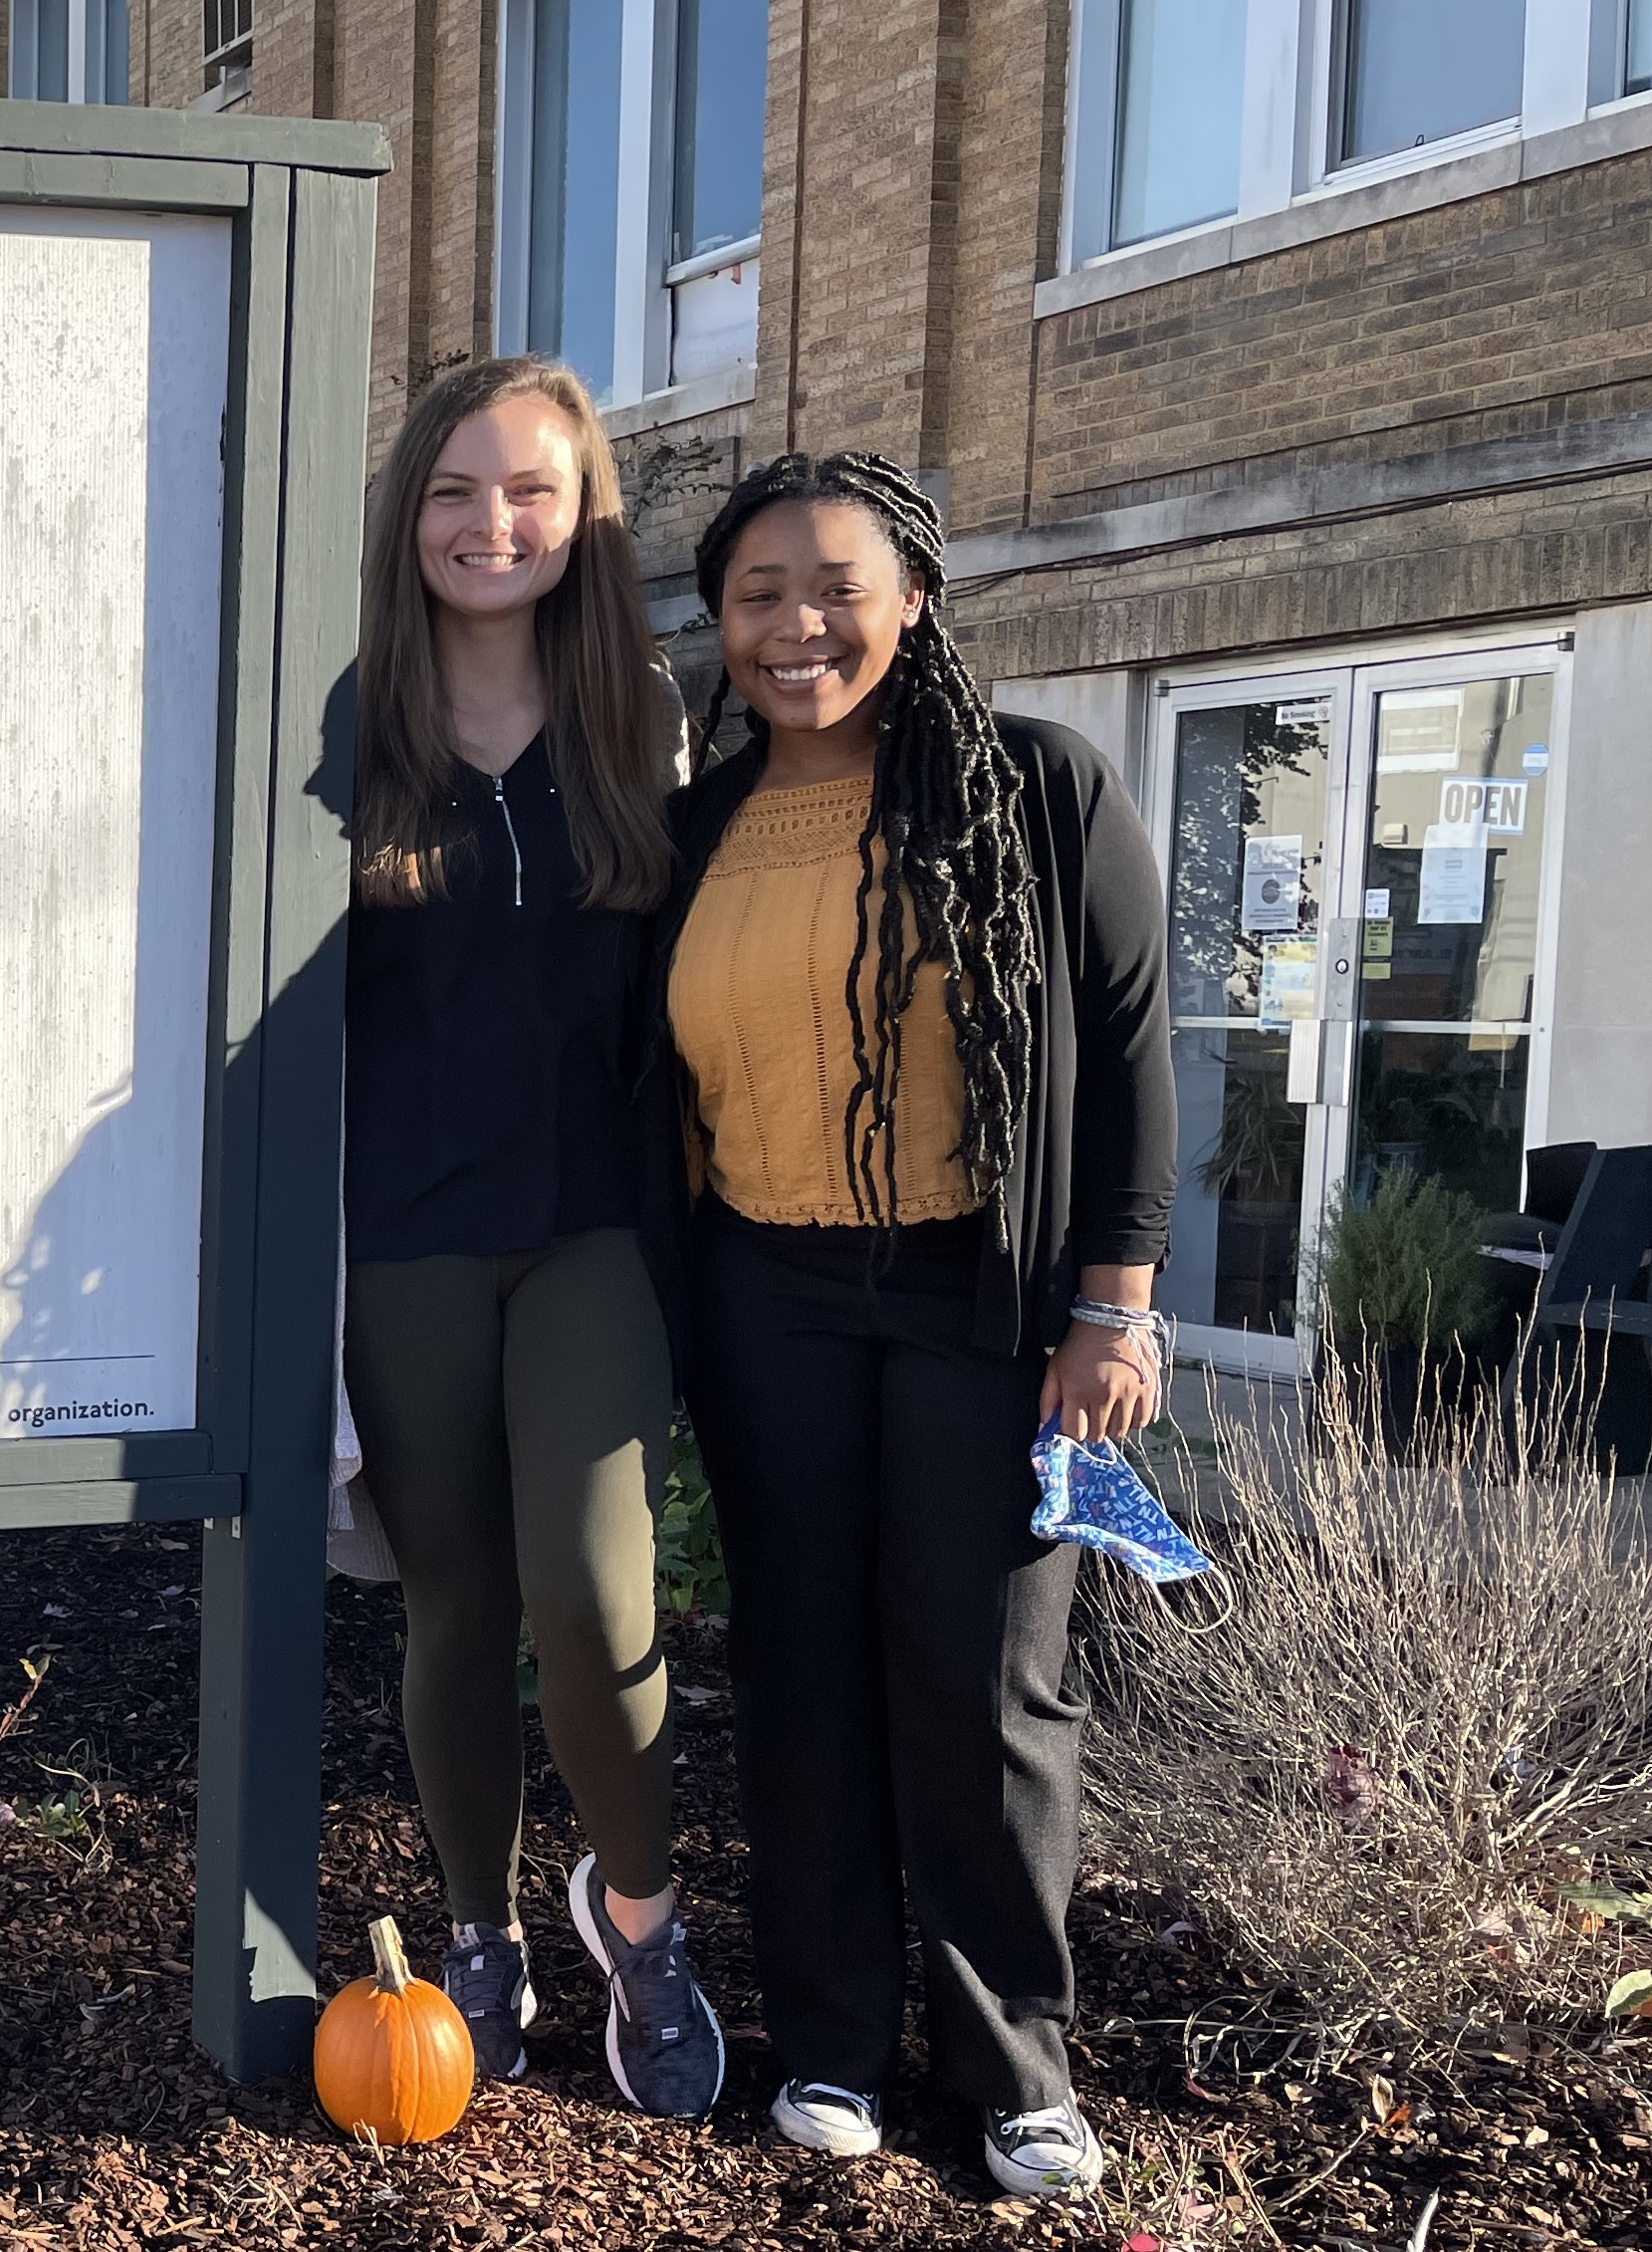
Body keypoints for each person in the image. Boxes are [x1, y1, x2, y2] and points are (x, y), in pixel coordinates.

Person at [662, 451, 1172, 2197]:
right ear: (719, 626)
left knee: (986, 1675)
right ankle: (829, 2041)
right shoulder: (698, 827)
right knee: (801, 1667)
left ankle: (1016, 2060)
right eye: (757, 596)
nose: (797, 624)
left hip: (983, 1297)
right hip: (763, 1295)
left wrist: (1118, 1303)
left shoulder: (1038, 789)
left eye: (834, 587)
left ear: (916, 601)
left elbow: (1125, 1055)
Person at [334, 357, 722, 2118]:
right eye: (456, 492)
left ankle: (637, 1922)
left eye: (532, 494)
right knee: (455, 1601)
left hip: (592, 1231)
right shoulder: (338, 725)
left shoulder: (644, 717)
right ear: (407, 513)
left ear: (584, 518)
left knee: (592, 1587)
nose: (493, 526)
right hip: (400, 1235)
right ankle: (476, 1935)